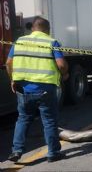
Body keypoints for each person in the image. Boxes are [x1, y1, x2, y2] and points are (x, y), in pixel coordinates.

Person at [5, 17, 69, 163]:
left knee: (23, 119)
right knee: (49, 121)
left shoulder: (19, 41)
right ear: (48, 29)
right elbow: (61, 65)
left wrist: (13, 79)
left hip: (24, 89)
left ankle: (17, 150)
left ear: (32, 28)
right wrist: (65, 74)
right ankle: (53, 153)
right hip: (45, 89)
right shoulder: (52, 42)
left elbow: (8, 63)